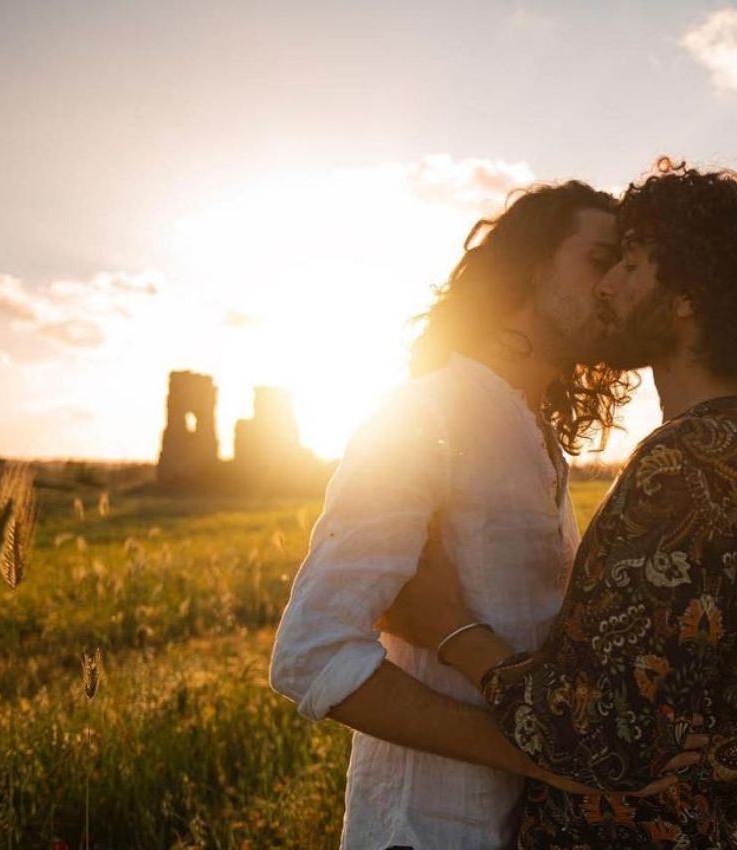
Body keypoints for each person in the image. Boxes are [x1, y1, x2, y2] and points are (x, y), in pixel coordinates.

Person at [378, 158, 737, 848]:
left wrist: (447, 626)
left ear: (685, 294)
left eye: (631, 264)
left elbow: (588, 739)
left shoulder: (687, 460)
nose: (608, 287)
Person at [268, 180, 703, 850]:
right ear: (529, 266)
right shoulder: (424, 412)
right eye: (600, 260)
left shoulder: (540, 438)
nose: (617, 284)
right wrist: (540, 755)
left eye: (626, 266)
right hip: (427, 829)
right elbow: (311, 652)